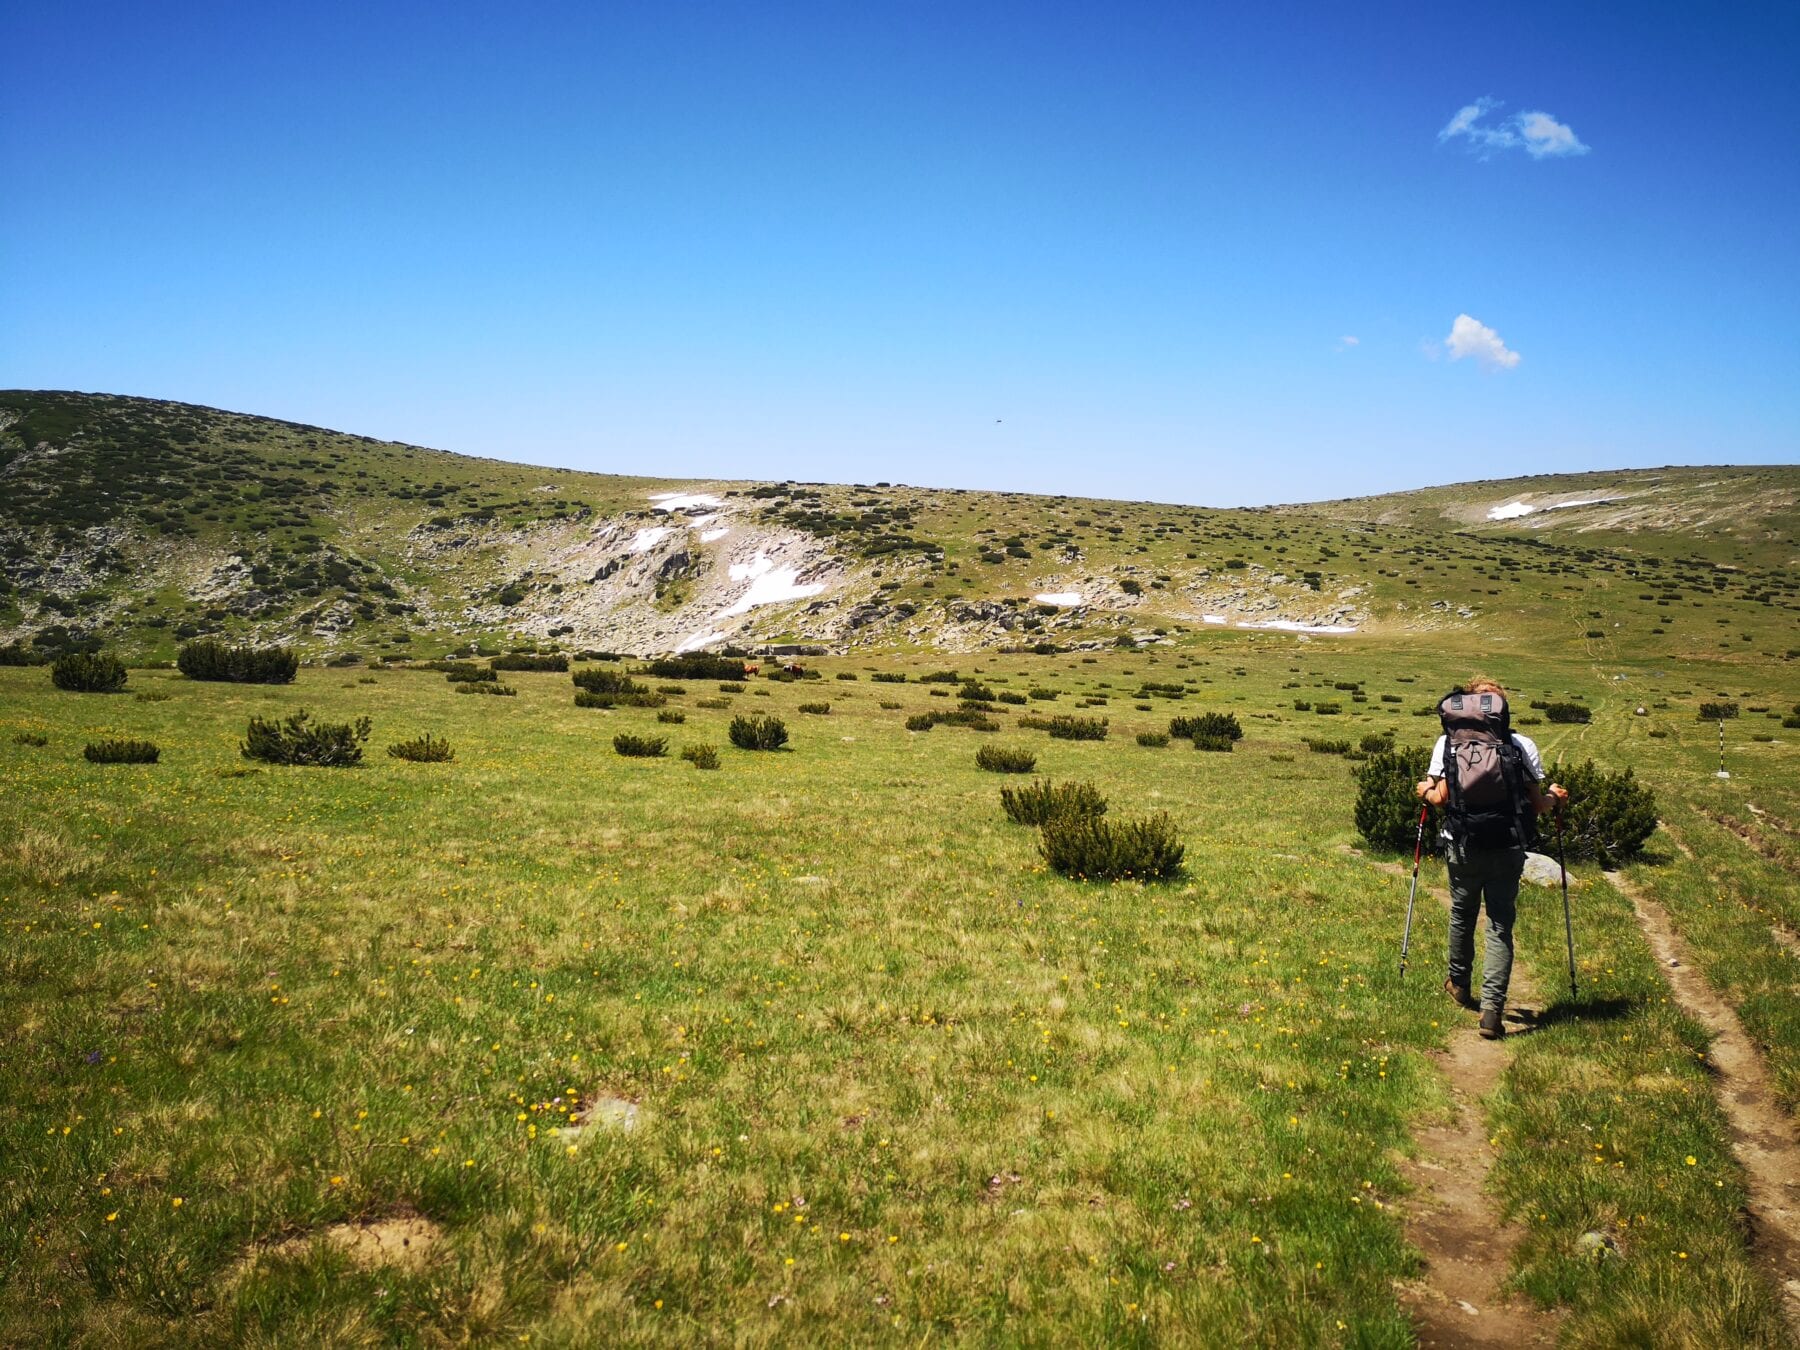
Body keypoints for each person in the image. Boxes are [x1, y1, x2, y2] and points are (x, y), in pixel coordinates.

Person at [1415, 676, 1569, 1040]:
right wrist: (1555, 798)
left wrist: (1423, 789)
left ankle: (1459, 984)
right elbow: (1536, 804)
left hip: (1462, 842)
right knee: (1500, 924)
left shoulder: (1447, 743)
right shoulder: (1521, 744)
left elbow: (1438, 797)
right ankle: (1492, 1010)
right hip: (1508, 845)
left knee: (1462, 913)